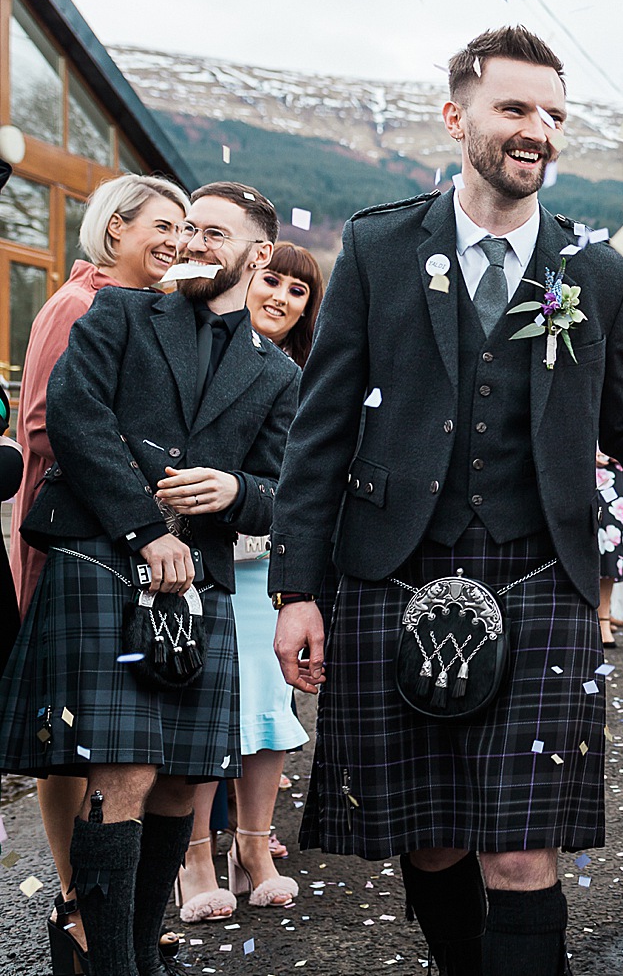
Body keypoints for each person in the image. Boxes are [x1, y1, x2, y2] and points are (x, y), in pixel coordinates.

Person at [267, 26, 623, 976]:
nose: (538, 129)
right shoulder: (378, 247)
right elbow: (321, 428)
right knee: (431, 837)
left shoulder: (595, 269)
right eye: (516, 108)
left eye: (554, 113)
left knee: (518, 845)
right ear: (457, 116)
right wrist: (298, 586)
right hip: (390, 567)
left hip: (539, 571)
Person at [0, 181, 298, 976]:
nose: (192, 242)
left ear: (257, 255)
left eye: (212, 232)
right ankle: (104, 961)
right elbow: (75, 414)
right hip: (102, 558)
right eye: (186, 228)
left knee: (184, 778)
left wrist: (238, 493)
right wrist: (142, 529)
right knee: (123, 770)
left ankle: (124, 953)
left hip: (199, 582)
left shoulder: (275, 372)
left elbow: (286, 490)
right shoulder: (124, 312)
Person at [5, 171, 192, 964]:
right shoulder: (76, 305)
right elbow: (47, 423)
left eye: (188, 228)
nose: (180, 241)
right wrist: (150, 479)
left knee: (109, 742)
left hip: (128, 545)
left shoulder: (151, 314)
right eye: (165, 224)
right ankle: (77, 903)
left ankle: (99, 912)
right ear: (115, 228)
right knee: (70, 736)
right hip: (74, 545)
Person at [176, 242, 321, 922]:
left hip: (270, 561)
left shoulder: (308, 376)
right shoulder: (195, 350)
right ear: (245, 276)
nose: (281, 297)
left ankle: (253, 848)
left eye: (299, 290)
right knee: (209, 711)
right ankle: (195, 855)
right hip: (201, 557)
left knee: (266, 709)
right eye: (273, 280)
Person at [594, 453, 623, 648]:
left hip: (613, 473)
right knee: (592, 544)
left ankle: (604, 617)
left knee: (611, 547)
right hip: (583, 470)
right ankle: (596, 616)